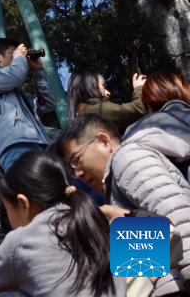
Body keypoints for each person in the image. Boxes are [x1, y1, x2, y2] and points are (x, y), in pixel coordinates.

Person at [0, 150, 119, 297]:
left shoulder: (23, 242)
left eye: (7, 209)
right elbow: (143, 262)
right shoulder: (96, 222)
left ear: (23, 204)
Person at [59, 113, 190, 295]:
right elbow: (155, 252)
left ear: (103, 141)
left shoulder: (127, 159)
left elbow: (179, 215)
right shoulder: (113, 186)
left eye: (76, 160)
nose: (77, 174)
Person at [0, 37, 56, 172]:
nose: (19, 57)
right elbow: (16, 75)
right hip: (15, 148)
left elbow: (47, 104)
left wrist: (38, 71)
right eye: (13, 54)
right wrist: (19, 57)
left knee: (48, 192)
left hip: (39, 146)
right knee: (29, 190)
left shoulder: (15, 93)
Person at [66, 69, 146, 133]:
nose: (108, 93)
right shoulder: (94, 110)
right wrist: (139, 88)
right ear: (89, 86)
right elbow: (138, 109)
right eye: (103, 85)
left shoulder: (82, 113)